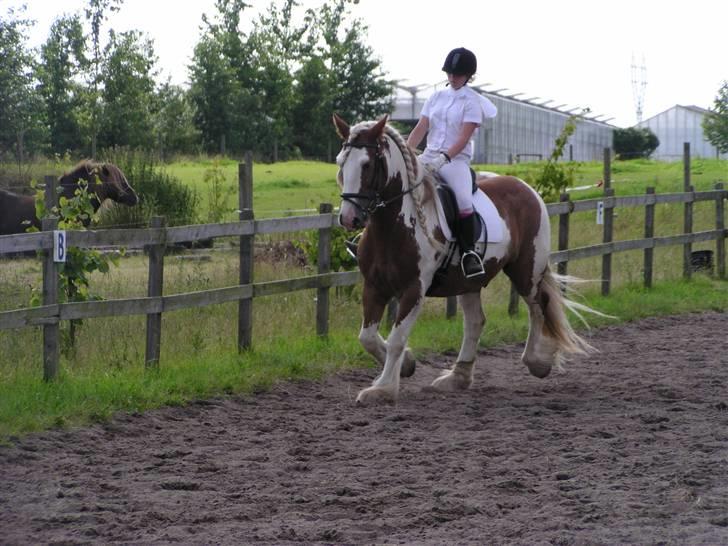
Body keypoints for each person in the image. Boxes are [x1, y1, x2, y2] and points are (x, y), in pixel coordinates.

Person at [407, 47, 497, 278]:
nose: (452, 77)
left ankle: (468, 254)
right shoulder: (436, 97)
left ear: (468, 75)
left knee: (464, 200)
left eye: (457, 74)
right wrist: (406, 153)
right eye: (449, 73)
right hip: (428, 155)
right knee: (397, 183)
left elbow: (464, 137)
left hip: (455, 161)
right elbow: (421, 128)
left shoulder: (472, 102)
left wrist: (444, 158)